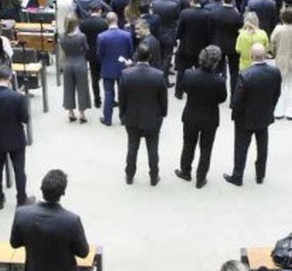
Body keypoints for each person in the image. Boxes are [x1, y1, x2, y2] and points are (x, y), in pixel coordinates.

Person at [10, 169, 90, 271]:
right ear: (63, 193)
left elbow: (15, 243)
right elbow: (83, 252)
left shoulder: (22, 214)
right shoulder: (71, 221)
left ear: (41, 188)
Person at [224, 44, 281, 187]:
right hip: (264, 114)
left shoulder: (245, 75)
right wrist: (270, 108)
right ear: (265, 55)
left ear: (251, 56)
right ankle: (260, 175)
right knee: (262, 146)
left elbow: (237, 100)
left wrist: (235, 113)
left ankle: (238, 176)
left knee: (241, 147)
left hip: (245, 117)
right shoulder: (275, 72)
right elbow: (276, 94)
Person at [0, 65, 34, 209]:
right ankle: (21, 198)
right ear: (10, 78)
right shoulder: (17, 97)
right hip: (15, 137)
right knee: (19, 169)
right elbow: (25, 119)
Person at [176, 46, 227, 189]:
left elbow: (184, 88)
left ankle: (185, 171)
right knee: (206, 148)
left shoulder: (189, 74)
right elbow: (222, 98)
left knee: (188, 144)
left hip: (191, 114)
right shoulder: (219, 81)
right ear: (216, 62)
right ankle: (201, 177)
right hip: (210, 117)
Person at [119, 43, 168, 185]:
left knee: (132, 148)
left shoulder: (126, 74)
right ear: (150, 57)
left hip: (132, 117)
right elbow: (163, 99)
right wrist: (162, 116)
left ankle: (129, 175)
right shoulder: (158, 75)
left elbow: (122, 98)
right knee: (153, 149)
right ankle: (154, 176)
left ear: (136, 56)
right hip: (152, 118)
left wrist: (123, 116)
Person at [96, 12, 134, 126]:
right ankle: (123, 119)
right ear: (117, 19)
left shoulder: (101, 36)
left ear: (106, 21)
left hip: (107, 68)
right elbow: (130, 52)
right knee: (122, 94)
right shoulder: (126, 35)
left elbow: (99, 54)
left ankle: (107, 119)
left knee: (108, 94)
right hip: (122, 68)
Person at [175, 0, 212, 98]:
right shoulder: (207, 14)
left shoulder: (184, 13)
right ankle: (199, 92)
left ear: (191, 1)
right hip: (201, 47)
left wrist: (178, 40)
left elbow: (180, 30)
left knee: (182, 71)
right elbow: (208, 31)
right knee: (201, 72)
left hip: (186, 46)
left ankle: (179, 92)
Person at [211, 0, 244, 95]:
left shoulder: (215, 12)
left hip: (218, 44)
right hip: (233, 46)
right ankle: (233, 95)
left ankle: (217, 93)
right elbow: (240, 29)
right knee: (234, 72)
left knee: (216, 71)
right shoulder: (237, 15)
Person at [60, 15, 92, 123]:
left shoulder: (62, 37)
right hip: (80, 63)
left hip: (67, 63)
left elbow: (63, 49)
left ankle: (70, 112)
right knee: (82, 88)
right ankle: (82, 114)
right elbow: (86, 48)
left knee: (68, 88)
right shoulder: (81, 36)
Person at [80, 4, 109, 108]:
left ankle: (97, 99)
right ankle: (108, 97)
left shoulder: (83, 23)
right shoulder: (104, 23)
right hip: (103, 53)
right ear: (100, 10)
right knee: (105, 76)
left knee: (94, 77)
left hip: (90, 53)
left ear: (89, 11)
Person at [151, 0, 181, 83]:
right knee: (167, 57)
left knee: (158, 55)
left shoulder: (155, 3)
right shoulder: (174, 5)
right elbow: (177, 18)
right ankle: (164, 79)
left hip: (157, 32)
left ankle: (157, 76)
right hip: (169, 32)